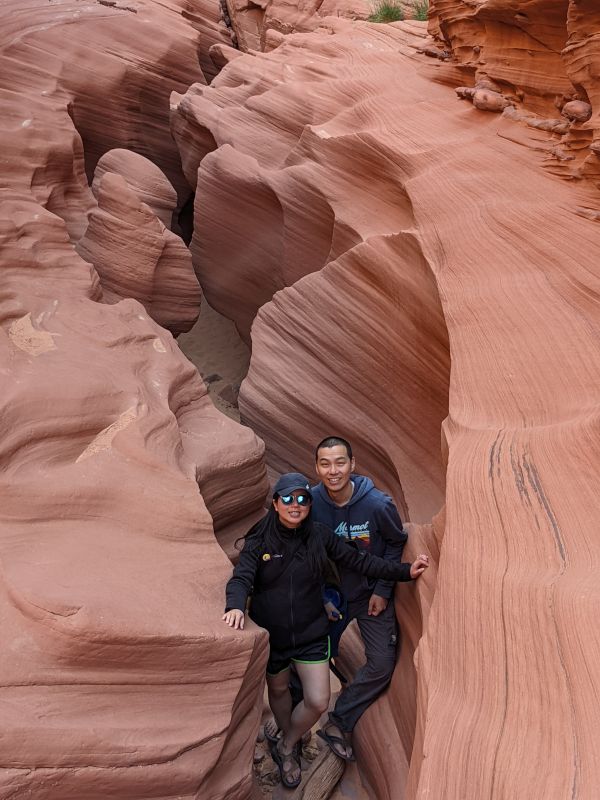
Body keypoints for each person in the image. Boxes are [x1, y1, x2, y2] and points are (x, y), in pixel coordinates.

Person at [223, 472, 428, 789]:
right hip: (274, 635)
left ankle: (287, 744)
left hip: (311, 634)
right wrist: (235, 605)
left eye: (302, 498)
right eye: (288, 498)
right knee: (278, 691)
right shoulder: (259, 541)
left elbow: (360, 561)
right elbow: (242, 577)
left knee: (317, 701)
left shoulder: (319, 536)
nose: (296, 505)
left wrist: (405, 571)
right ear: (276, 503)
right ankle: (288, 740)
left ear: (309, 504)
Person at [312, 437, 419, 761]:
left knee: (381, 665)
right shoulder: (312, 504)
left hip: (372, 595)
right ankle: (291, 723)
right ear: (317, 467)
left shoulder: (377, 504)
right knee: (302, 653)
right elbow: (305, 555)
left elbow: (394, 542)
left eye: (340, 462)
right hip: (332, 597)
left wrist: (382, 591)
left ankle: (339, 719)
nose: (333, 471)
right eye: (326, 464)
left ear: (353, 465)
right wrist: (321, 598)